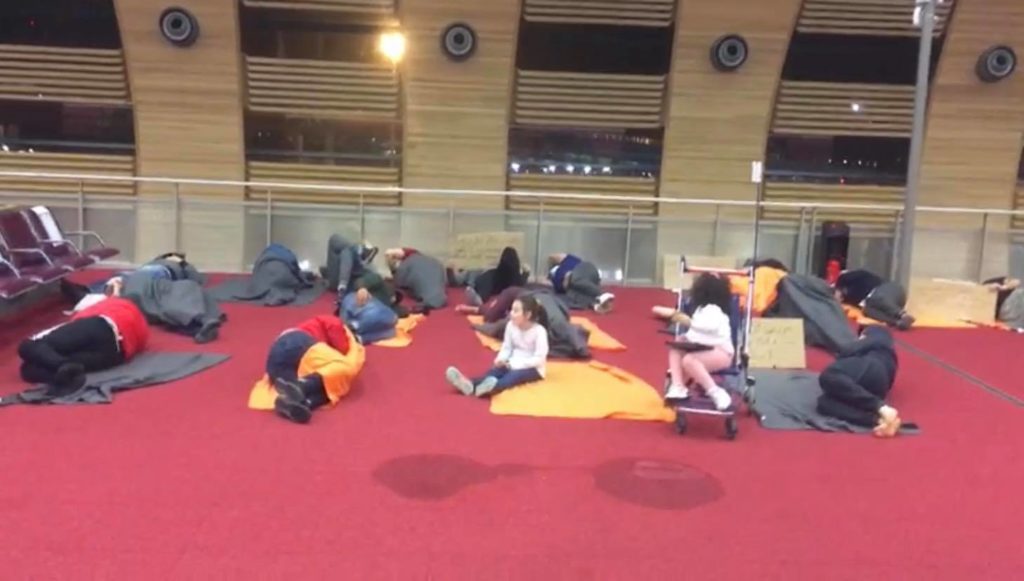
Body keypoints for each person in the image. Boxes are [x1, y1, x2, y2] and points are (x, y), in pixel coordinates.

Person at [18, 296, 150, 392]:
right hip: (116, 353)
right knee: (31, 367)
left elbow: (36, 342)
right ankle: (64, 371)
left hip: (101, 325)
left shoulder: (107, 301)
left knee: (26, 349)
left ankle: (62, 367)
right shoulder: (140, 324)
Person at [262, 315, 365, 424]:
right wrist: (352, 344)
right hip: (298, 344)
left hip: (277, 364)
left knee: (331, 385)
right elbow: (344, 350)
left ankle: (301, 402)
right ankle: (301, 386)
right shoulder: (336, 324)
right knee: (344, 369)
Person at [445, 294, 550, 397]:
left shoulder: (539, 332)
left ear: (527, 315)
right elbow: (507, 347)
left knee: (513, 377)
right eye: (511, 310)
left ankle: (493, 387)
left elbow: (539, 359)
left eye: (516, 311)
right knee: (494, 372)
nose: (511, 313)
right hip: (511, 362)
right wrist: (500, 359)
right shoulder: (511, 326)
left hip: (533, 368)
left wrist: (514, 364)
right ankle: (470, 384)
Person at [664, 273, 735, 411]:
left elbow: (706, 328)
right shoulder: (700, 310)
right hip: (703, 350)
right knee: (676, 348)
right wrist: (685, 338)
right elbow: (696, 334)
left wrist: (688, 322)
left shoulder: (715, 311)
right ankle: (678, 386)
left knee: (689, 360)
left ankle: (716, 392)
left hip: (721, 352)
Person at [817, 326, 902, 437]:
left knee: (830, 375)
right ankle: (879, 421)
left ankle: (881, 407)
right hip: (877, 386)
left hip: (871, 366)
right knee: (824, 403)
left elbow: (846, 351)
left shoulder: (878, 336)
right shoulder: (889, 355)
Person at [834, 269, 915, 330]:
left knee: (876, 298)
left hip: (888, 289)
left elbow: (845, 277)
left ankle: (903, 315)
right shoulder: (848, 299)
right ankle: (897, 322)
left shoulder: (846, 279)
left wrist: (838, 286)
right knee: (867, 311)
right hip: (881, 303)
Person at [448, 247, 531, 305]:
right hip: (485, 277)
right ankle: (473, 291)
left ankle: (459, 280)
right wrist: (525, 273)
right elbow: (522, 281)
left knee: (471, 274)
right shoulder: (515, 278)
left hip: (481, 276)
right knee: (471, 275)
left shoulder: (495, 274)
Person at [546, 253, 615, 313]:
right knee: (573, 295)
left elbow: (552, 257)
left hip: (584, 270)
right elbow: (544, 283)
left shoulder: (569, 261)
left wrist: (569, 275)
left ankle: (602, 294)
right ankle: (596, 304)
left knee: (575, 279)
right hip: (574, 286)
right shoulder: (553, 281)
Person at [323, 235, 378, 304]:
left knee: (345, 250)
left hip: (347, 278)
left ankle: (342, 288)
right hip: (338, 280)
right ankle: (360, 251)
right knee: (337, 242)